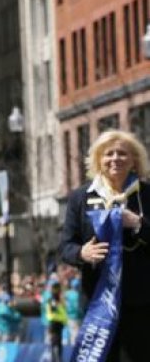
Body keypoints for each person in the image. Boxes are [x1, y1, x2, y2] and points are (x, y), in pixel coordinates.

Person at [60, 129, 150, 362]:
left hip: (140, 303)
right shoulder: (80, 197)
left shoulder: (147, 194)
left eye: (122, 153)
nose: (115, 159)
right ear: (99, 159)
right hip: (98, 303)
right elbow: (65, 247)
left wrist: (139, 224)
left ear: (134, 160)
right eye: (108, 154)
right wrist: (82, 252)